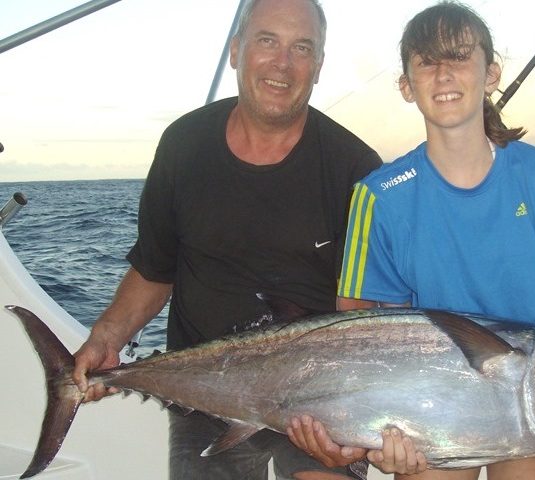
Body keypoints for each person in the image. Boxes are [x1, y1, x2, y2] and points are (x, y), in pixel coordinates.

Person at [288, 1, 535, 479]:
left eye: (459, 57)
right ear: (406, 86)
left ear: (491, 72)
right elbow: (360, 331)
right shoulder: (379, 197)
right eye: (426, 61)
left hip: (531, 399)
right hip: (430, 404)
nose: (443, 74)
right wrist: (384, 432)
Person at [71, 0, 381, 479]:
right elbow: (156, 267)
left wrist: (351, 433)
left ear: (318, 67)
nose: (282, 63)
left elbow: (358, 315)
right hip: (206, 397)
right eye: (266, 41)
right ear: (236, 51)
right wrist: (107, 338)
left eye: (301, 48)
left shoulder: (356, 169)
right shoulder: (184, 144)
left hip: (317, 403)